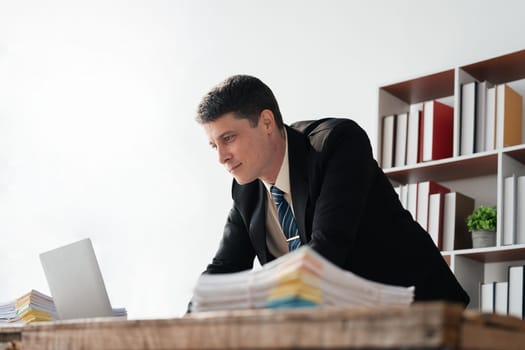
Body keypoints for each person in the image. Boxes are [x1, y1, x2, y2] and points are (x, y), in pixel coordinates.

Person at [195, 74, 469, 306]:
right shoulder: (246, 190)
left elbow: (326, 251)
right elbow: (225, 269)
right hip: (346, 325)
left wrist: (260, 305)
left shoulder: (336, 144)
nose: (221, 157)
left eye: (228, 138)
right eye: (213, 146)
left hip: (422, 312)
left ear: (267, 122)